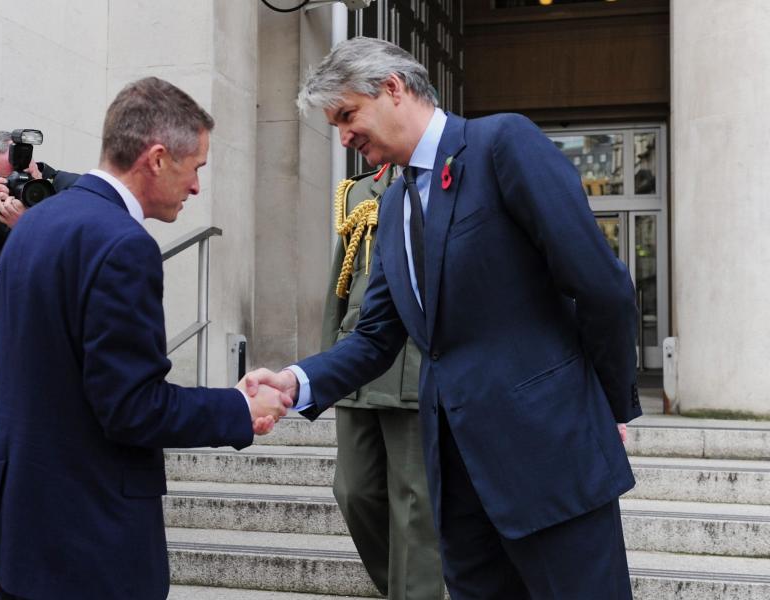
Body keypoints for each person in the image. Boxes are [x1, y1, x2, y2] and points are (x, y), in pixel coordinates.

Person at [250, 37, 642, 599]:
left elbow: (602, 286)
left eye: (346, 115)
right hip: (457, 480)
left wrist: (606, 403)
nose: (343, 137)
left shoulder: (501, 144)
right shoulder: (390, 204)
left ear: (393, 88)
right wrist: (294, 382)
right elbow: (376, 337)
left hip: (549, 459)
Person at [0, 78, 293, 600]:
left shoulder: (31, 229)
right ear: (157, 158)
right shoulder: (123, 244)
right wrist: (237, 407)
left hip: (20, 544)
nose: (198, 187)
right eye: (196, 167)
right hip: (94, 549)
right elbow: (133, 408)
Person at [323, 163, 443, 599]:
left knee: (414, 505)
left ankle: (416, 592)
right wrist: (328, 368)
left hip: (413, 365)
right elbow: (340, 285)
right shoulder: (357, 192)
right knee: (353, 491)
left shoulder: (443, 181)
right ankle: (405, 587)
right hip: (356, 363)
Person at [0, 130, 80, 286]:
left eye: (23, 171)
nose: (21, 180)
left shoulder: (75, 188)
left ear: (31, 160)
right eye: (10, 179)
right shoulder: (0, 207)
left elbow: (83, 256)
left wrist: (28, 225)